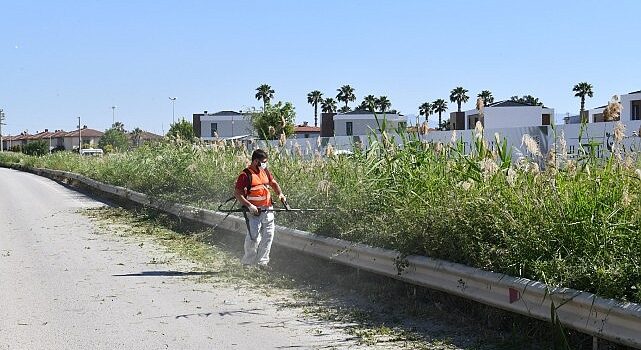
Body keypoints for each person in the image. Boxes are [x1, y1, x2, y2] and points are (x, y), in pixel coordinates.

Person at [234, 149, 286, 270]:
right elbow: (238, 194)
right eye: (263, 162)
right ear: (256, 161)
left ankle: (263, 263)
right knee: (254, 237)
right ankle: (248, 263)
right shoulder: (245, 175)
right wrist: (249, 206)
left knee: (268, 236)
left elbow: (273, 183)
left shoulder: (265, 171)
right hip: (253, 211)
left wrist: (280, 194)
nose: (265, 164)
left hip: (268, 209)